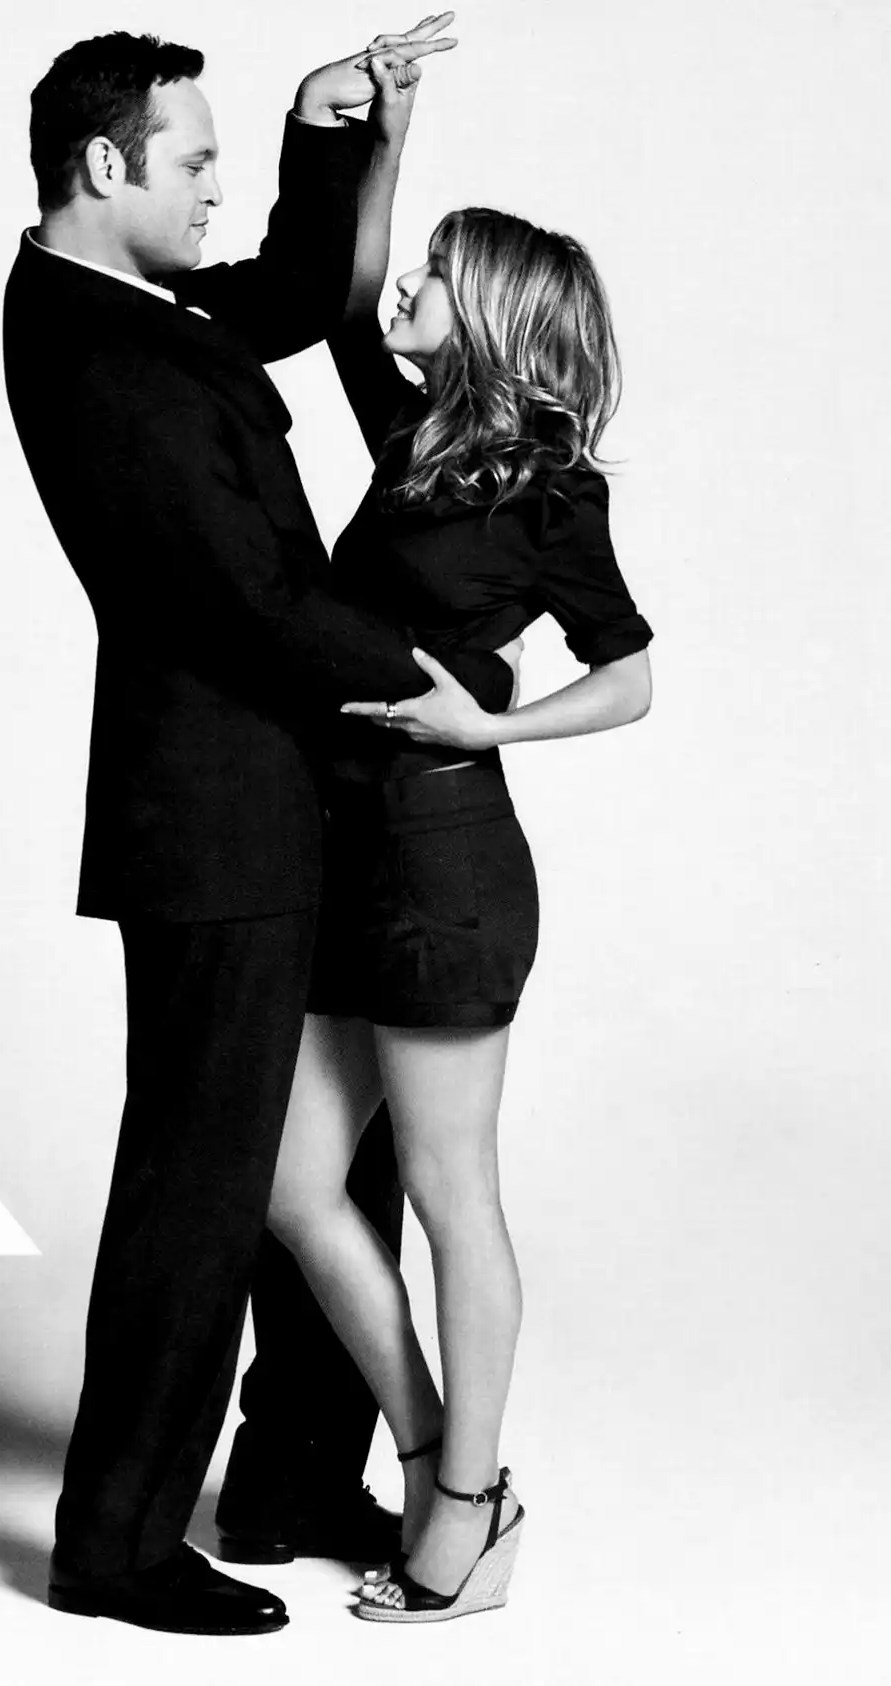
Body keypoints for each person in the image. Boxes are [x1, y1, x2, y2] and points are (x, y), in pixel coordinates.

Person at [1, 21, 521, 1637]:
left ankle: (294, 1478)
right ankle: (114, 1539)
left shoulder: (141, 305)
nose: (214, 186)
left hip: (293, 801)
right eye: (197, 159)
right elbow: (249, 596)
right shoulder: (98, 353)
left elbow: (301, 288)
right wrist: (438, 676)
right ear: (107, 166)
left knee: (333, 1161)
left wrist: (325, 129)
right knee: (203, 1181)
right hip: (210, 824)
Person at [262, 58, 654, 1624]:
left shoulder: (552, 491)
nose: (412, 283)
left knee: (445, 1189)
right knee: (295, 1187)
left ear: (486, 315)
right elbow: (353, 295)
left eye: (442, 272)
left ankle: (468, 1514)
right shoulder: (420, 438)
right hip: (346, 850)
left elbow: (630, 675)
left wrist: (489, 725)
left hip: (443, 866)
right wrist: (392, 135)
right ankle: (442, 1457)